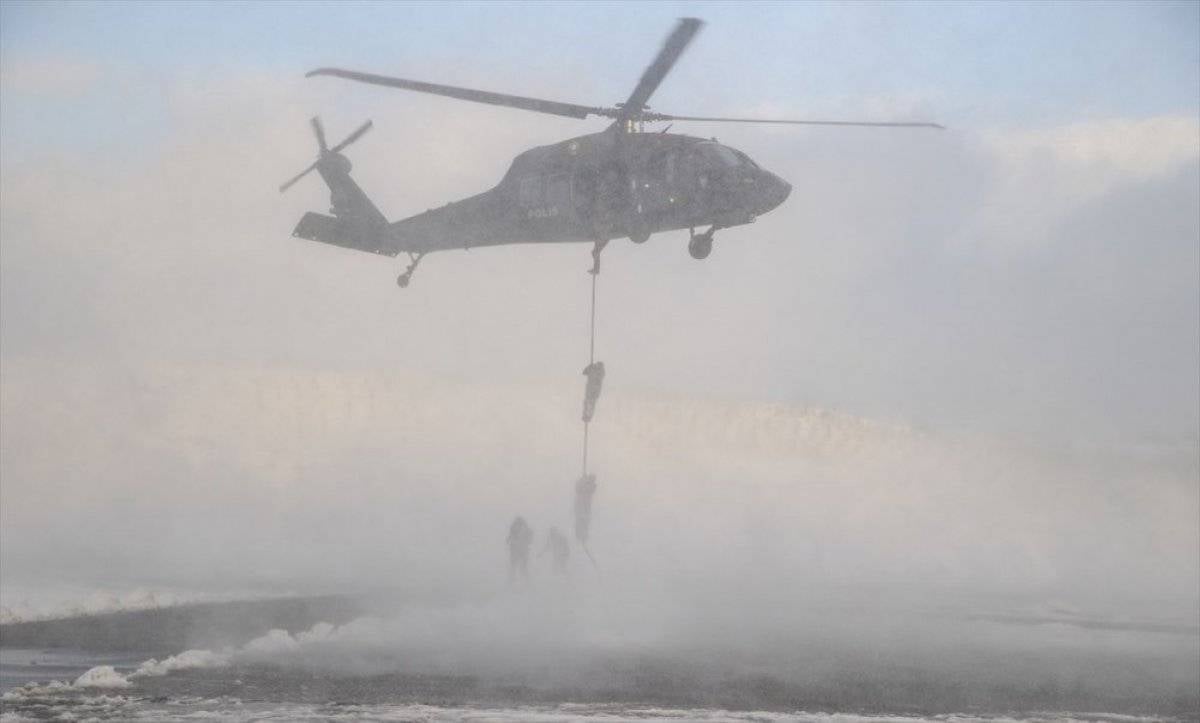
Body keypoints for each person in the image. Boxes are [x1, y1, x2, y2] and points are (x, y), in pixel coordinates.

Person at [507, 516, 533, 584]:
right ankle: (526, 582)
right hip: (522, 550)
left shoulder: (513, 527)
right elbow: (530, 540)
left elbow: (509, 539)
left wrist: (510, 542)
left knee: (514, 566)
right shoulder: (526, 528)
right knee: (523, 567)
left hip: (516, 550)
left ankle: (513, 582)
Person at [574, 474, 597, 546]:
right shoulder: (584, 483)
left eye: (592, 479)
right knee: (580, 518)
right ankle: (579, 534)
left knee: (585, 520)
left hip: (586, 505)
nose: (591, 480)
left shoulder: (592, 486)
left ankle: (583, 536)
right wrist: (582, 481)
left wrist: (583, 483)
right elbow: (577, 488)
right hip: (580, 504)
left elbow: (589, 489)